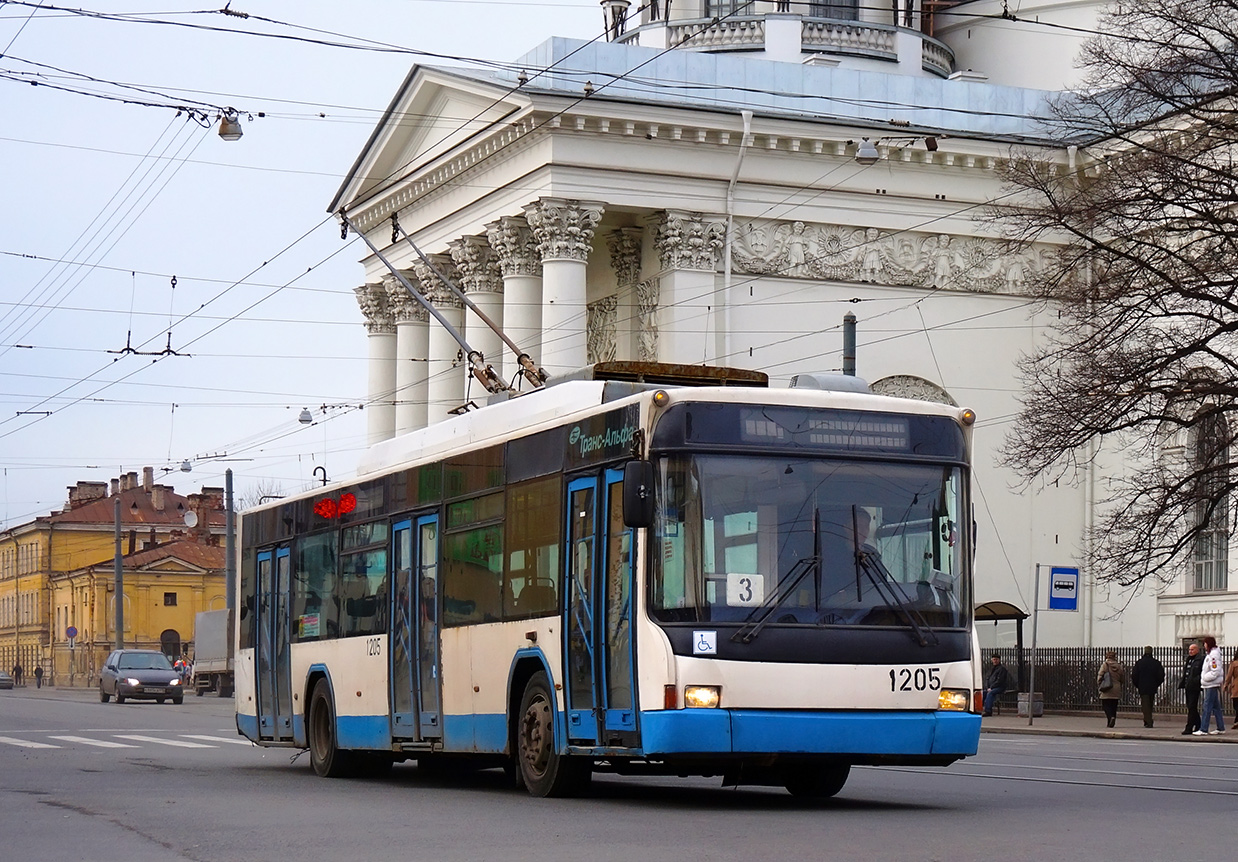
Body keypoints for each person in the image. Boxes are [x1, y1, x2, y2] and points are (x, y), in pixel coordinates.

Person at [1197, 635, 1226, 735]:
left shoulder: (1213, 655)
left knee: (1207, 706)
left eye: (1205, 643)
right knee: (1216, 707)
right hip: (1210, 684)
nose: (1204, 645)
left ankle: (1204, 729)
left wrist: (1205, 677)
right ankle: (1220, 727)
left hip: (1211, 684)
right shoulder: (1211, 654)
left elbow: (1215, 671)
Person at [1130, 645, 1165, 728]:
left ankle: (1148, 721)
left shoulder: (1139, 663)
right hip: (1152, 686)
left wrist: (1137, 684)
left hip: (1142, 686)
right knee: (1150, 703)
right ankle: (1147, 720)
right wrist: (1157, 684)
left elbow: (1134, 675)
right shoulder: (1156, 663)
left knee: (1145, 705)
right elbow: (1161, 676)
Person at [1179, 641, 1204, 736]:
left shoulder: (1200, 659)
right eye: (1189, 649)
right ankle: (1198, 724)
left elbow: (1200, 672)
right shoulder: (1189, 659)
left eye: (1192, 649)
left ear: (1197, 650)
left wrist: (1196, 680)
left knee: (1192, 706)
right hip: (1187, 685)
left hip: (1195, 686)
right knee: (1190, 707)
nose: (1190, 651)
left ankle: (1189, 727)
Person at [1097, 650, 1126, 728]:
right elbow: (1122, 678)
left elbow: (1100, 676)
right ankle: (1112, 718)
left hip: (1107, 687)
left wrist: (1099, 683)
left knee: (1106, 705)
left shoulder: (1105, 665)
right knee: (1114, 705)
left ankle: (1110, 718)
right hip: (1116, 687)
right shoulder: (1119, 666)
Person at [1223, 649, 1238, 725]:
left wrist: (1225, 685)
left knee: (1236, 704)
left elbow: (1229, 676)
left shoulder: (1234, 664)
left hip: (1236, 686)